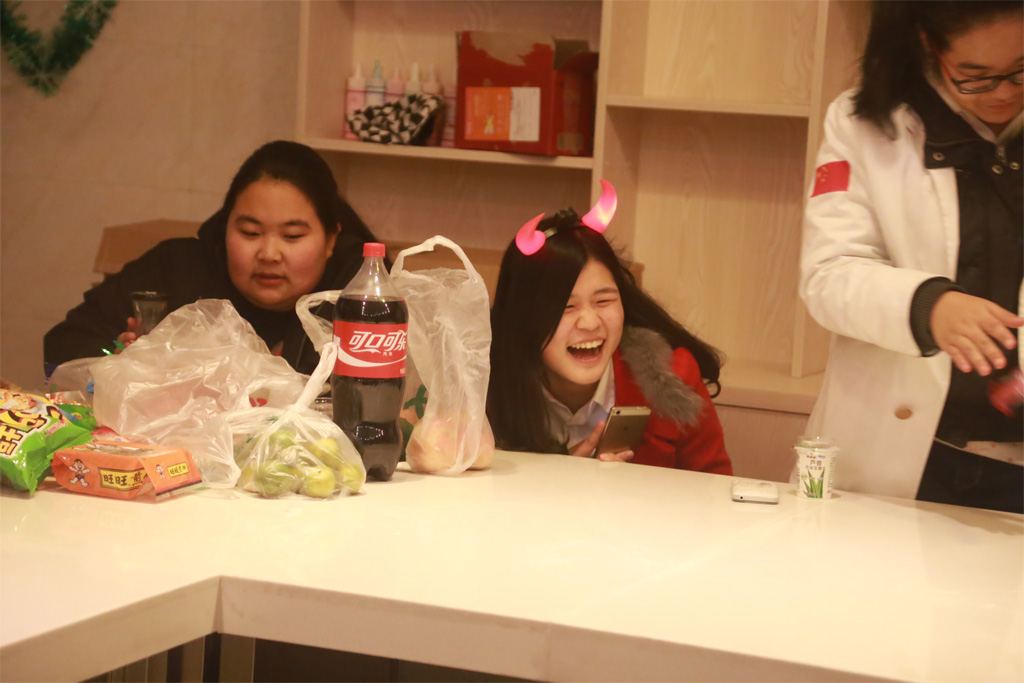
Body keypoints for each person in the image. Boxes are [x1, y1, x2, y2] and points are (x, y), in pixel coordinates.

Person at [800, 1, 1023, 512]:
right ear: (929, 43)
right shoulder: (865, 123)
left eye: (1020, 70)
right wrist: (928, 306)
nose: (1003, 92)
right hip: (914, 454)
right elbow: (828, 274)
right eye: (976, 76)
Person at [44, 140, 377, 375]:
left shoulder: (364, 294)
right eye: (250, 232)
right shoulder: (177, 268)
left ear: (330, 240)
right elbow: (65, 343)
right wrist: (120, 361)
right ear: (225, 227)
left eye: (292, 236)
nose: (268, 254)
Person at [487, 181, 732, 474]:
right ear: (521, 317)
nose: (590, 322)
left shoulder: (674, 376)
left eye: (604, 301)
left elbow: (714, 489)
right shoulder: (481, 386)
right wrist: (556, 479)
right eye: (566, 307)